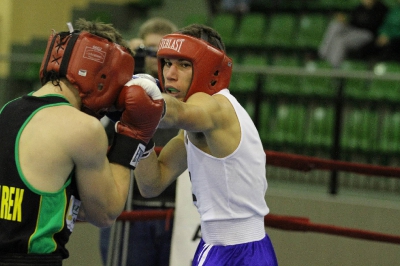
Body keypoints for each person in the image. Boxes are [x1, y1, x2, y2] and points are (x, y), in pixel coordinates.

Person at [0, 18, 164, 265]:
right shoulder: (84, 128)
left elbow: (70, 205)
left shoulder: (8, 109)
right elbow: (105, 212)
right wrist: (132, 135)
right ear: (104, 76)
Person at [134, 24, 278, 265]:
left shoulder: (215, 107)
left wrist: (146, 97)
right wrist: (140, 131)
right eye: (167, 63)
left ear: (208, 69)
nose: (170, 74)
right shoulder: (194, 129)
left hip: (235, 250)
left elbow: (177, 113)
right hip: (228, 247)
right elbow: (151, 184)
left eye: (184, 64)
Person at [99, 17, 178, 266]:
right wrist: (125, 71)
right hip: (130, 207)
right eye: (149, 50)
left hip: (176, 209)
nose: (155, 58)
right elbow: (100, 133)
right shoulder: (122, 88)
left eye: (162, 52)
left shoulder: (185, 93)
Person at [318, 0, 388, 68]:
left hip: (367, 34)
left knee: (340, 40)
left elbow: (376, 27)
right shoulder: (360, 8)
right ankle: (321, 56)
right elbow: (352, 22)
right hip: (354, 31)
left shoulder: (381, 9)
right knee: (335, 25)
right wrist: (344, 21)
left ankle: (334, 69)